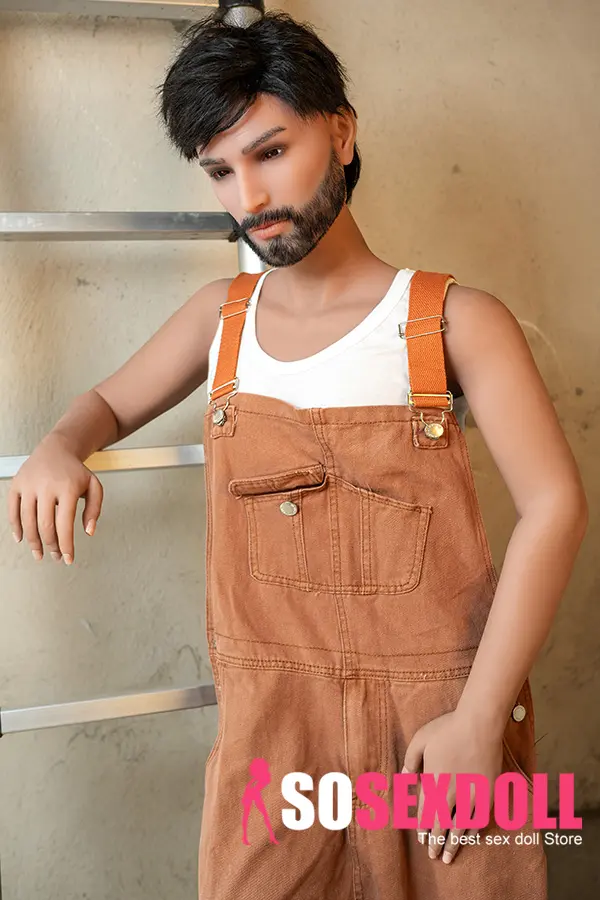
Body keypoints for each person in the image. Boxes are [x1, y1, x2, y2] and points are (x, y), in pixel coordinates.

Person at [7, 9, 587, 900]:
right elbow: (108, 403)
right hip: (274, 747)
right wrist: (58, 444)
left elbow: (556, 508)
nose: (250, 197)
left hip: (441, 731)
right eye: (220, 171)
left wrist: (479, 718)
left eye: (271, 152)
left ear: (341, 134)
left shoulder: (457, 321)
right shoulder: (220, 319)